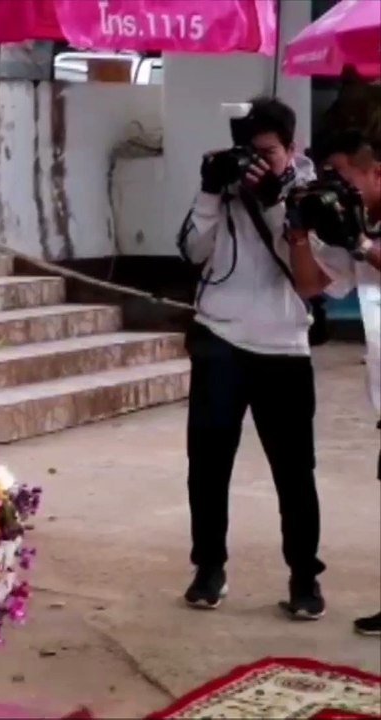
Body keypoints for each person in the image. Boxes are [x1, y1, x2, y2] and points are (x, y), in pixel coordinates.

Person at [175, 97, 328, 619]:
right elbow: (193, 251)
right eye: (249, 153)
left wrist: (275, 202)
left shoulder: (311, 192)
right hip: (219, 337)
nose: (257, 164)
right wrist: (209, 191)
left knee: (294, 471)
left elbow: (313, 273)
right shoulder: (227, 186)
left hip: (283, 345)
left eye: (268, 153)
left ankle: (304, 576)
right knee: (208, 465)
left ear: (292, 148)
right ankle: (208, 567)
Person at [285, 128, 381, 637]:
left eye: (344, 178)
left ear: (375, 173)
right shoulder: (354, 230)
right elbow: (309, 285)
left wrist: (361, 243)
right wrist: (299, 233)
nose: (338, 190)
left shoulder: (360, 236)